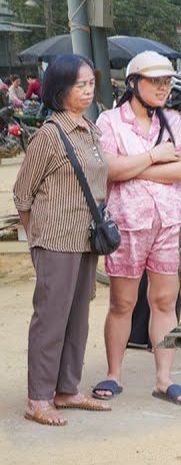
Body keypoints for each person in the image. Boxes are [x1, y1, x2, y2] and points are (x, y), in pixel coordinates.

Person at [91, 52, 181, 406]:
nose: (164, 88)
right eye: (155, 81)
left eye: (167, 81)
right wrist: (153, 157)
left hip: (166, 223)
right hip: (128, 226)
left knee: (164, 300)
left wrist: (133, 167)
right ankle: (113, 374)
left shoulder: (175, 123)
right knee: (122, 302)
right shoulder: (109, 122)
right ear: (134, 83)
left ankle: (164, 380)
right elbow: (109, 170)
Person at [12, 55, 110, 425]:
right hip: (55, 240)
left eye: (90, 83)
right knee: (51, 319)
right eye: (79, 85)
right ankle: (38, 398)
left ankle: (67, 389)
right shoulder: (49, 136)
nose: (87, 91)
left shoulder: (90, 129)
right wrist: (38, 242)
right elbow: (23, 194)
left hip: (86, 238)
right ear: (59, 89)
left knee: (78, 318)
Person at [125, 70, 181, 353]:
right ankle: (137, 334)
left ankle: (161, 339)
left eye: (171, 105)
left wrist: (138, 169)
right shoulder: (141, 127)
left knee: (167, 278)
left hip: (174, 210)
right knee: (141, 274)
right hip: (140, 210)